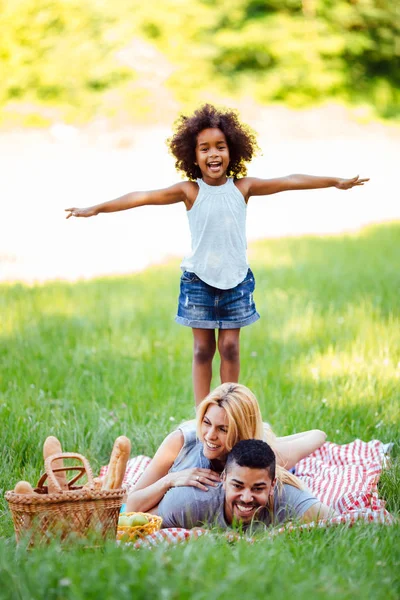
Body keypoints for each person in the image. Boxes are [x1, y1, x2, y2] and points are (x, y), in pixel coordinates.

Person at [65, 104, 369, 405]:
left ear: (232, 151)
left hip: (236, 282)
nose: (213, 154)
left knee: (231, 347)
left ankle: (229, 409)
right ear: (193, 156)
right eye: (205, 148)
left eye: (220, 147)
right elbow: (142, 197)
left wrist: (334, 181)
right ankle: (204, 414)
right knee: (201, 350)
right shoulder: (189, 191)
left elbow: (290, 181)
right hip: (198, 282)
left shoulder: (243, 187)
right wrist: (98, 208)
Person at [126, 383, 326, 513]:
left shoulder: (260, 456)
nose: (210, 435)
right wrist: (170, 480)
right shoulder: (180, 442)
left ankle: (265, 432)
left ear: (240, 432)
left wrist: (269, 442)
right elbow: (131, 505)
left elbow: (318, 435)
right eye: (206, 422)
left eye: (222, 429)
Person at [157, 439, 335, 530]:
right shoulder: (189, 502)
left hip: (279, 454)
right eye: (238, 486)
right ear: (224, 479)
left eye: (258, 488)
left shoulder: (287, 497)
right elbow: (140, 522)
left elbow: (337, 523)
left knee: (317, 436)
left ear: (272, 485)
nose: (247, 498)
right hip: (190, 445)